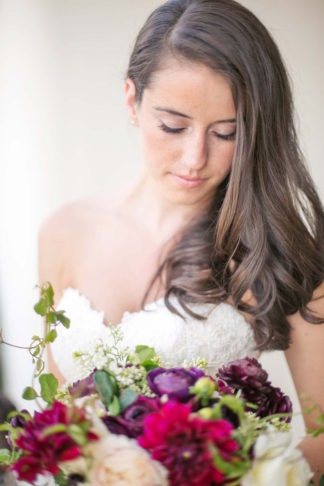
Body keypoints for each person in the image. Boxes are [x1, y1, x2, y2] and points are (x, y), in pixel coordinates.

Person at [38, 0, 324, 481]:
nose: (195, 158)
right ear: (132, 101)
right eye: (172, 126)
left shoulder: (276, 247)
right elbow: (62, 417)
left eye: (227, 133)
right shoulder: (63, 232)